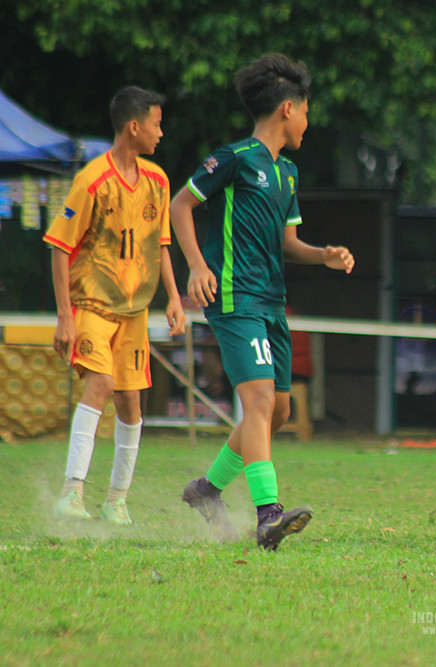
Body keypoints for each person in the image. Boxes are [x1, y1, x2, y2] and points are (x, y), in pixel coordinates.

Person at [170, 54, 355, 550]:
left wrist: (325, 255)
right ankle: (268, 514)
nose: (308, 122)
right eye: (307, 112)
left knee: (278, 413)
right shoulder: (233, 159)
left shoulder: (287, 173)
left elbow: (289, 245)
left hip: (273, 302)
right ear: (288, 110)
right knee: (257, 402)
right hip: (234, 297)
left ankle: (206, 490)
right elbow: (180, 204)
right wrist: (197, 264)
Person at [45, 86, 185, 525]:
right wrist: (65, 317)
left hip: (135, 313)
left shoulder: (158, 182)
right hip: (91, 305)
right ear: (134, 126)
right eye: (158, 124)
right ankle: (70, 494)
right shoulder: (92, 181)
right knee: (101, 385)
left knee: (131, 404)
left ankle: (117, 501)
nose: (162, 133)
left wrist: (175, 298)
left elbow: (161, 244)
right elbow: (58, 247)